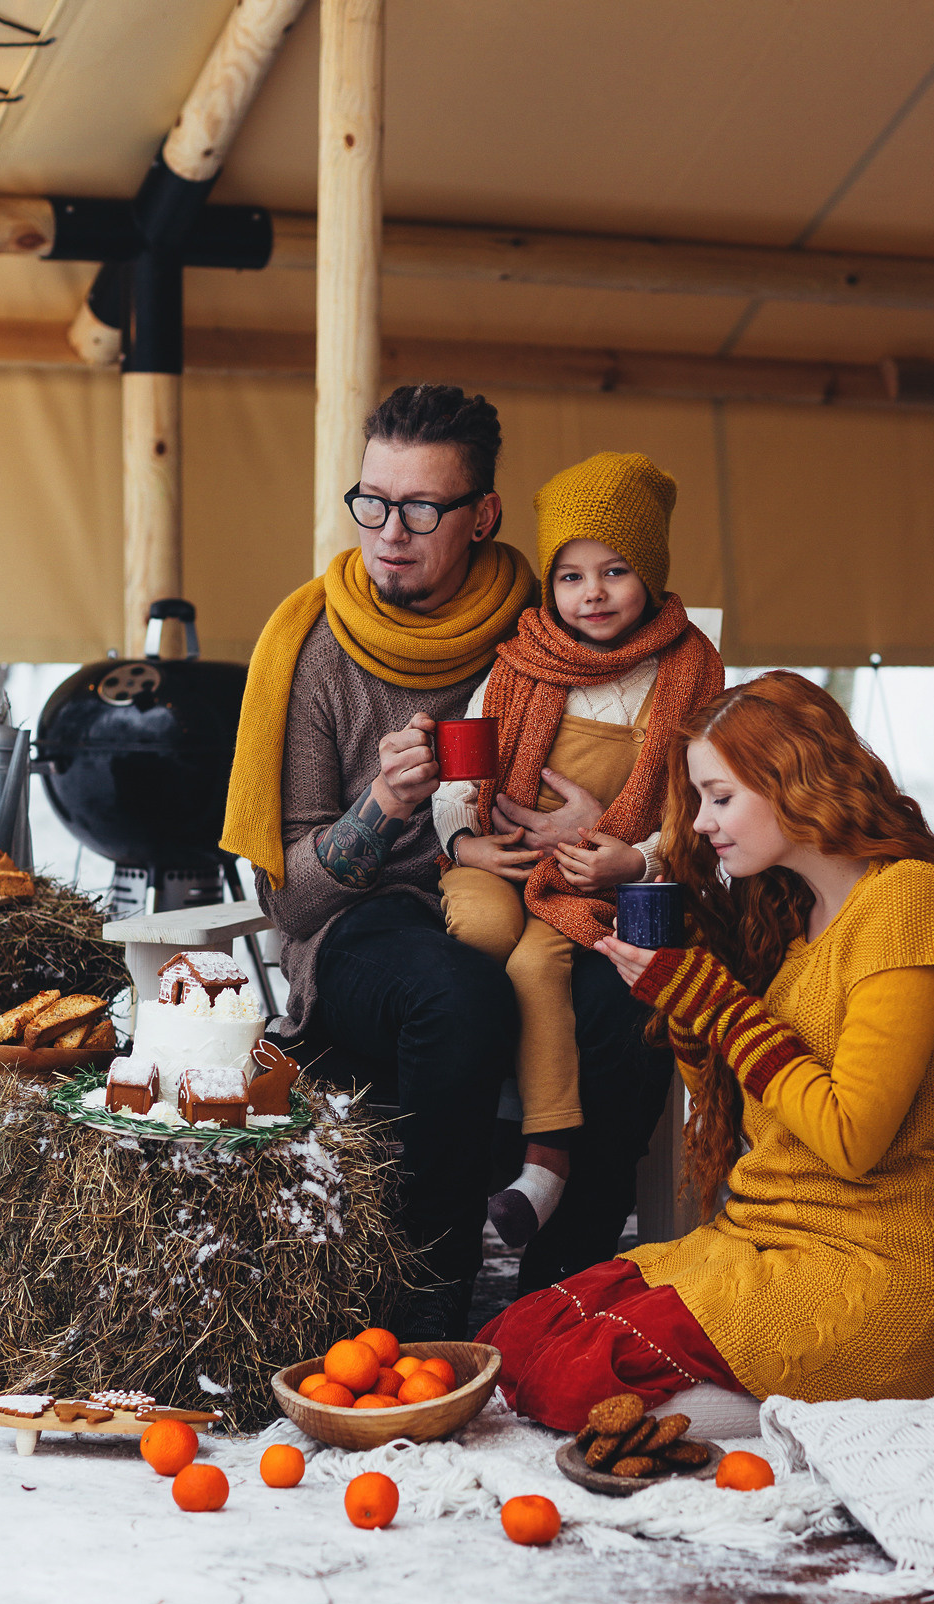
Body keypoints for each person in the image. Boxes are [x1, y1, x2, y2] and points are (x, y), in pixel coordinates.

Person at [220, 388, 672, 1335]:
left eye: (423, 509)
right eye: (372, 502)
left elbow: (667, 741)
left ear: (484, 516)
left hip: (544, 898)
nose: (389, 533)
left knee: (626, 1006)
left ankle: (558, 1303)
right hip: (364, 931)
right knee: (454, 992)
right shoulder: (314, 649)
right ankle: (425, 1318)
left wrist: (606, 834)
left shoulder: (551, 626)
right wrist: (381, 808)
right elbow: (291, 904)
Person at [478, 671, 934, 1428]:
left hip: (880, 1272)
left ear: (794, 779)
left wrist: (716, 1003)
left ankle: (782, 1406)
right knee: (518, 1335)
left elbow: (851, 1137)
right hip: (764, 1239)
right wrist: (690, 1016)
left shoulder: (906, 901)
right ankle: (729, 1392)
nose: (700, 822)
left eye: (720, 797)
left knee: (569, 1383)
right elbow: (758, 1090)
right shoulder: (795, 919)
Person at [432, 452, 722, 1248]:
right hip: (507, 854)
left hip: (601, 870)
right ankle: (487, 1123)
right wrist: (465, 840)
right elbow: (460, 777)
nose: (591, 593)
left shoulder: (686, 671)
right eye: (569, 575)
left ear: (652, 573)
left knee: (533, 964)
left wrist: (638, 860)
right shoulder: (520, 663)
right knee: (487, 936)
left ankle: (544, 1163)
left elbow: (701, 802)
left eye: (615, 571)